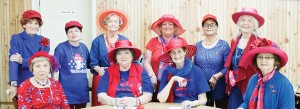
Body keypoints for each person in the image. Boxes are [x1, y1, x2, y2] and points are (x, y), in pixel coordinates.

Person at [6, 10, 50, 108]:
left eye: (36, 23)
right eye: (30, 22)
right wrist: (13, 84)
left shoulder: (45, 41)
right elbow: (13, 60)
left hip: (40, 82)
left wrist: (23, 61)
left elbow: (42, 61)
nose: (33, 26)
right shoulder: (16, 38)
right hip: (22, 81)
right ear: (24, 24)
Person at [224, 7, 265, 109]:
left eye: (250, 20)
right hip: (235, 84)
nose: (245, 23)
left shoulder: (259, 43)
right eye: (243, 20)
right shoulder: (234, 40)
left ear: (255, 25)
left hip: (251, 85)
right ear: (239, 24)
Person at [237, 38, 294, 108]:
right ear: (256, 61)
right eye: (260, 57)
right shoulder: (253, 79)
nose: (263, 61)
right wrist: (241, 107)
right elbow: (246, 102)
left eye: (268, 57)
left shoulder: (284, 83)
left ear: (275, 61)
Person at [97, 40, 153, 108]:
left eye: (126, 53)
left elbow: (148, 94)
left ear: (132, 56)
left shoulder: (141, 71)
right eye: (119, 53)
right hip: (112, 106)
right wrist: (115, 101)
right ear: (116, 57)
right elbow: (100, 95)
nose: (123, 56)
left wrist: (136, 101)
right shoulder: (108, 72)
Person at [143, 14, 187, 101]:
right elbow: (146, 62)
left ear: (175, 28)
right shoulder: (153, 42)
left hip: (177, 82)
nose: (167, 26)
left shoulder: (181, 41)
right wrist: (152, 76)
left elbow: (188, 62)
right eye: (164, 24)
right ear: (160, 28)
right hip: (156, 82)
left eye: (171, 24)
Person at [157, 38, 210, 108]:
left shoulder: (197, 71)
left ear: (185, 52)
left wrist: (192, 103)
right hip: (172, 106)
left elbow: (203, 99)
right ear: (170, 55)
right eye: (173, 52)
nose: (177, 56)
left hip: (192, 106)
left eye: (179, 51)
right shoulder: (166, 71)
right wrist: (173, 79)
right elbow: (161, 99)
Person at [90, 10, 129, 106]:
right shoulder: (97, 41)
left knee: (119, 102)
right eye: (110, 21)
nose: (113, 24)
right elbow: (92, 61)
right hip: (102, 74)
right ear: (105, 24)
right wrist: (98, 69)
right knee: (100, 103)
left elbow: (130, 58)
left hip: (121, 76)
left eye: (116, 21)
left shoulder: (125, 40)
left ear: (119, 25)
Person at [194, 14, 230, 108]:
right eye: (206, 24)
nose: (209, 26)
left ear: (217, 27)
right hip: (202, 88)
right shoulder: (197, 46)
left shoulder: (223, 45)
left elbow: (228, 66)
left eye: (212, 24)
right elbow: (194, 66)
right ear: (202, 28)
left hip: (220, 87)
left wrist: (216, 76)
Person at [54, 21, 90, 109]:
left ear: (81, 33)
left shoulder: (84, 47)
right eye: (70, 31)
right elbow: (55, 68)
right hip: (66, 90)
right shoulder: (61, 47)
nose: (74, 33)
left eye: (76, 31)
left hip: (82, 90)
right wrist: (55, 87)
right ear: (67, 34)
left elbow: (89, 64)